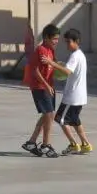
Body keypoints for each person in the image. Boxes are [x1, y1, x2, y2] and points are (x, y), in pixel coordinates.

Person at [20, 23, 61, 158]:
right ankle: (45, 145)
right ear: (46, 38)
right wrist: (47, 85)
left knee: (47, 115)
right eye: (54, 38)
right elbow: (35, 70)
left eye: (57, 39)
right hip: (40, 87)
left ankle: (31, 142)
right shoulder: (41, 50)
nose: (56, 41)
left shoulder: (50, 51)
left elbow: (51, 66)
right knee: (49, 114)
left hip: (49, 86)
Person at [51, 28, 92, 155]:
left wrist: (51, 63)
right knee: (74, 120)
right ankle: (86, 144)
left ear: (76, 41)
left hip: (72, 97)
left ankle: (74, 144)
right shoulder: (81, 55)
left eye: (69, 42)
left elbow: (67, 71)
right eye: (66, 42)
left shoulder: (75, 56)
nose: (67, 45)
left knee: (60, 119)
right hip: (80, 97)